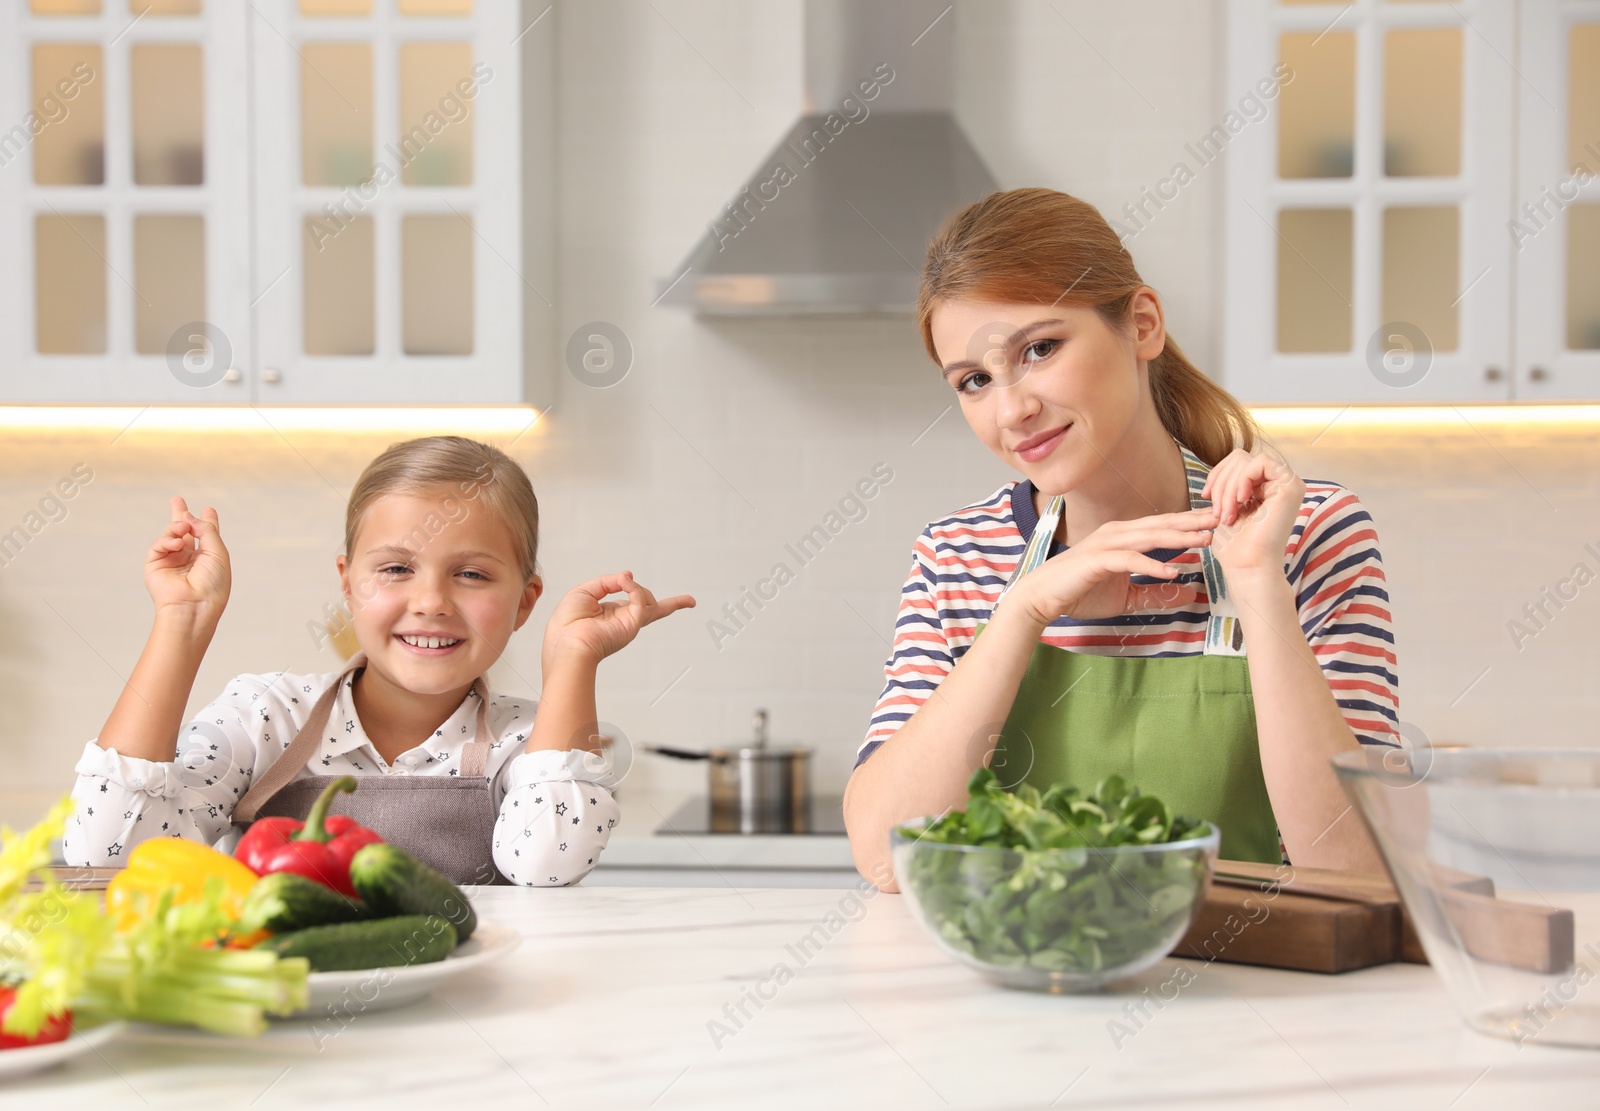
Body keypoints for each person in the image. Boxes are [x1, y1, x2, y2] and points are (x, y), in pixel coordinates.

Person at [844, 188, 1399, 889]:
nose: (1012, 408)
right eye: (975, 380)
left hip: (1251, 986)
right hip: (1028, 979)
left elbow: (1361, 872)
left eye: (1040, 348)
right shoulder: (958, 556)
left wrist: (1257, 586)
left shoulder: (1307, 533)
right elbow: (883, 859)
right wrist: (1021, 612)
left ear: (1142, 324)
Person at [64, 435, 693, 886]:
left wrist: (575, 661)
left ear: (526, 601)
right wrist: (183, 622)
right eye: (396, 568)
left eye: (471, 574)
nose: (431, 602)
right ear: (348, 583)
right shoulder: (266, 717)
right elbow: (108, 856)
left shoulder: (531, 744)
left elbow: (549, 865)